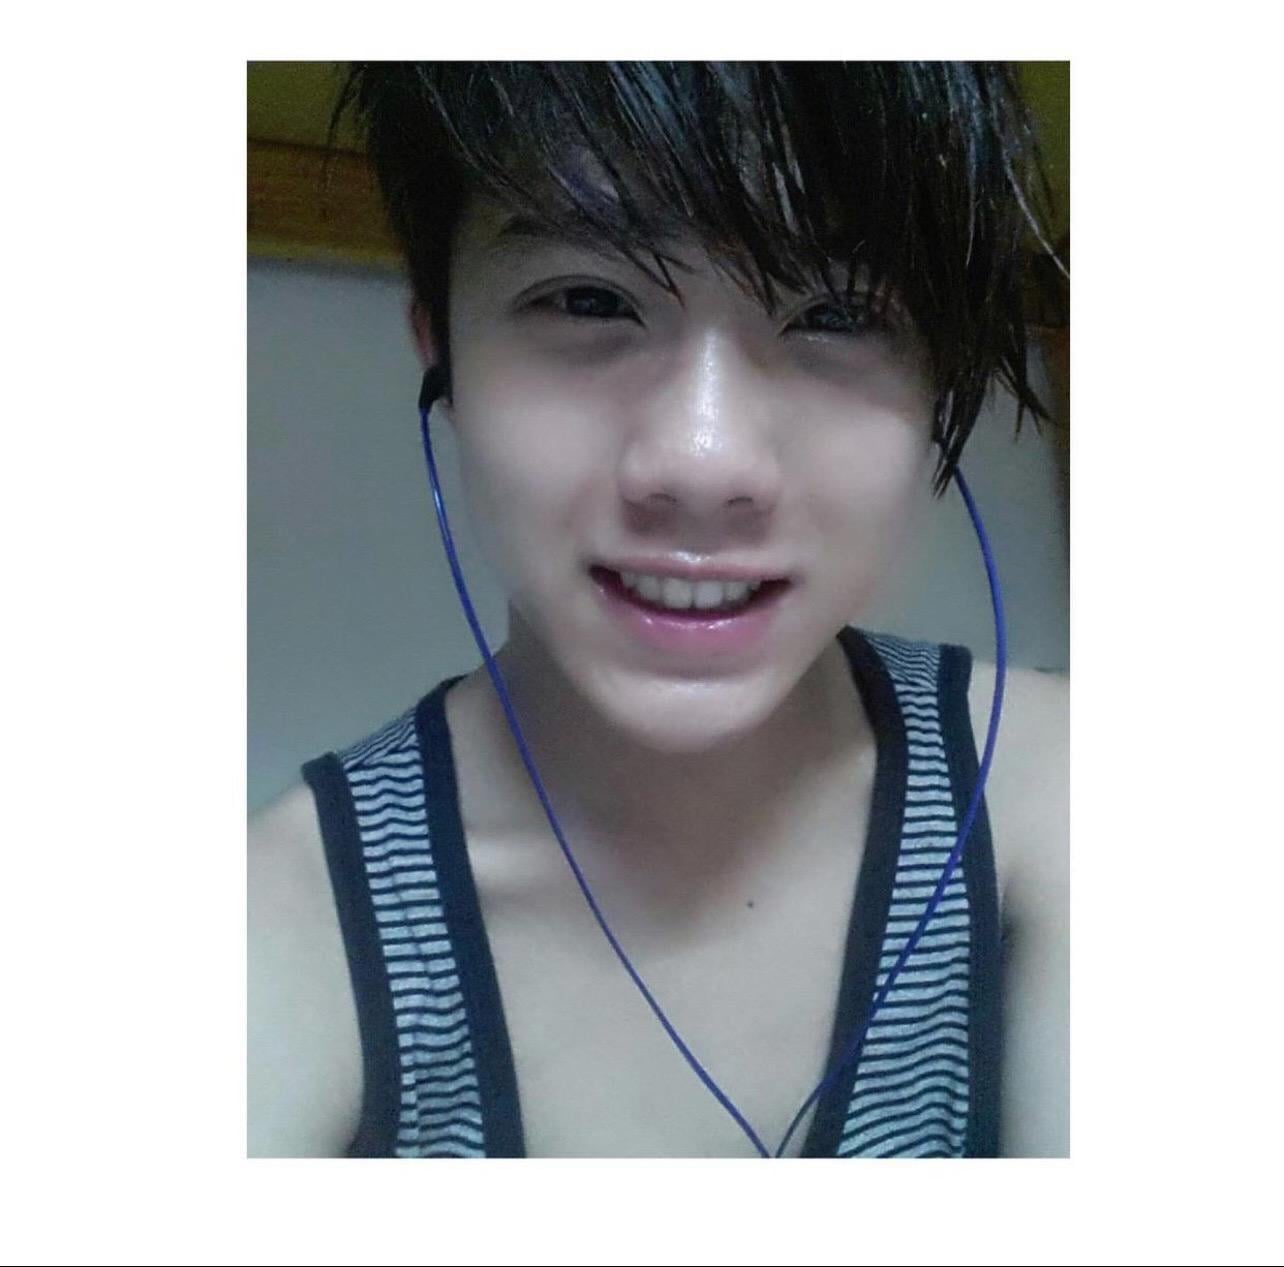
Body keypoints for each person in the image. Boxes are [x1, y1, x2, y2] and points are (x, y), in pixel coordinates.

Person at [248, 61, 1069, 1159]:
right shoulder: (283, 924)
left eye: (836, 312)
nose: (702, 463)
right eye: (588, 299)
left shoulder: (1059, 792)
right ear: (440, 343)